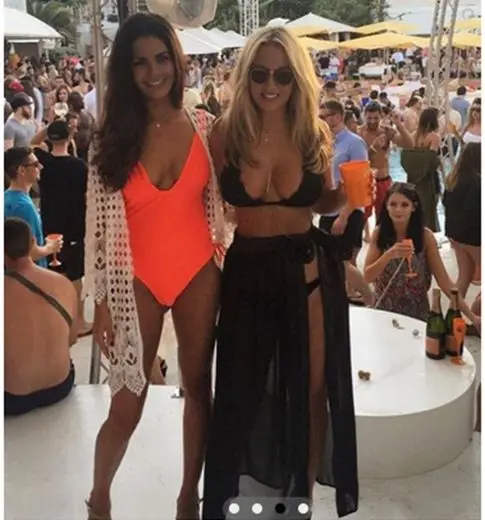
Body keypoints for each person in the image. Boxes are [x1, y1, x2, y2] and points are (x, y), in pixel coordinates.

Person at [202, 26, 358, 519]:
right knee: (238, 391)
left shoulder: (313, 133)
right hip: (246, 272)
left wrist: (348, 198)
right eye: (260, 74)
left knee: (310, 391)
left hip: (304, 269)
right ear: (246, 76)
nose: (271, 85)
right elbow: (205, 204)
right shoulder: (225, 133)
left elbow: (322, 202)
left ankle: (300, 500)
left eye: (283, 76)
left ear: (298, 79)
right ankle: (226, 500)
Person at [83, 13, 229, 520]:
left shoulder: (206, 127)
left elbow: (233, 197)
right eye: (140, 62)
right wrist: (103, 302)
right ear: (125, 69)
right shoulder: (109, 138)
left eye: (162, 58)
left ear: (177, 62)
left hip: (199, 270)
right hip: (136, 281)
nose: (153, 72)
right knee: (127, 405)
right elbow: (100, 233)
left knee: (199, 388)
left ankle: (188, 495)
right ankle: (100, 497)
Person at [364, 182, 480, 329]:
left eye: (404, 205)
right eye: (393, 204)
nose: (398, 209)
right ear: (386, 206)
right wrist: (388, 255)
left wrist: (472, 317)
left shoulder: (425, 237)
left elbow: (445, 282)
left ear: (413, 207)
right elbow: (367, 276)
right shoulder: (379, 234)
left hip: (417, 313)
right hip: (384, 312)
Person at [5, 217, 77, 416]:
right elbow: (71, 339)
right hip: (60, 386)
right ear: (33, 242)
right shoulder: (63, 283)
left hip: (13, 398)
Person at [32, 119, 92, 338]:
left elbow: (31, 144)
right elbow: (88, 197)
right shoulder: (79, 166)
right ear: (70, 138)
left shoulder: (42, 162)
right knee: (75, 276)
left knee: (54, 271)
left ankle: (57, 319)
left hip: (50, 223)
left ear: (50, 138)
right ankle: (78, 321)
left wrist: (46, 130)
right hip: (74, 225)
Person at [443, 143, 481, 334]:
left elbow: (444, 203)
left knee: (463, 277)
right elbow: (475, 212)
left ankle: (452, 316)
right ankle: (477, 314)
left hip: (456, 235)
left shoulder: (452, 179)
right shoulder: (477, 182)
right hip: (474, 236)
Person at [4, 147, 62, 267]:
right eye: (35, 165)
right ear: (21, 170)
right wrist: (51, 247)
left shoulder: (6, 197)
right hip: (29, 273)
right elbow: (30, 253)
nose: (41, 167)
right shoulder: (25, 207)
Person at [359, 102, 413, 224]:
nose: (372, 121)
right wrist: (373, 148)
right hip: (365, 181)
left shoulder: (387, 131)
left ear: (381, 116)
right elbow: (358, 160)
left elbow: (409, 144)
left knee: (384, 218)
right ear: (364, 115)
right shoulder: (359, 133)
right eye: (369, 118)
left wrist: (399, 125)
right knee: (361, 217)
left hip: (383, 179)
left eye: (375, 118)